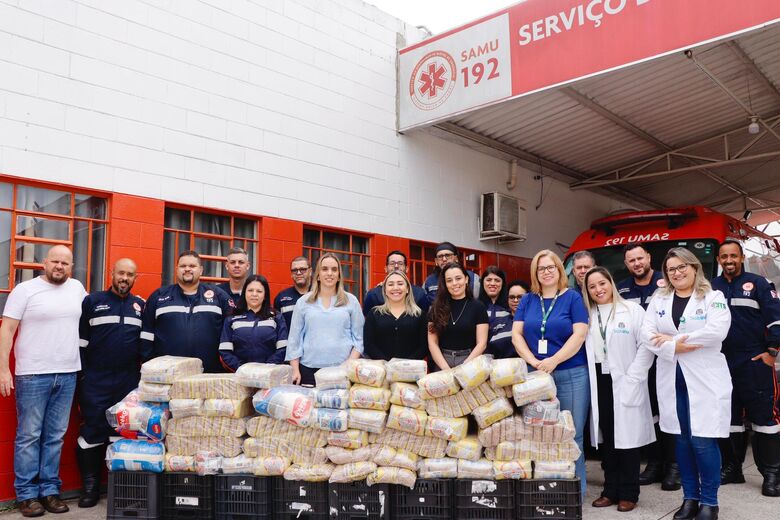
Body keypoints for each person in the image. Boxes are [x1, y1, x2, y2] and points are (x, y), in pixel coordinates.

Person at [642, 247, 732, 520]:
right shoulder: (660, 298)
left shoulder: (713, 297)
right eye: (671, 269)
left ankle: (709, 502)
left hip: (705, 379)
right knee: (681, 441)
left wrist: (670, 342)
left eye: (682, 267)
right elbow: (647, 335)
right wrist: (675, 348)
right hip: (672, 378)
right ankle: (690, 498)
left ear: (694, 268)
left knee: (703, 442)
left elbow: (717, 331)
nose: (677, 272)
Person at [0, 245, 87, 517]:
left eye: (65, 263)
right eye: (55, 261)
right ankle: (26, 495)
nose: (59, 266)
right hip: (32, 374)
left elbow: (95, 314)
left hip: (68, 373)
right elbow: (7, 329)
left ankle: (50, 491)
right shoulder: (25, 290)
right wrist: (4, 369)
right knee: (29, 436)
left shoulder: (77, 288)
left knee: (55, 437)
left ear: (71, 266)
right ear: (44, 263)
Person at [512, 249, 590, 495]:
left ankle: (574, 492)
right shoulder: (528, 300)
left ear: (559, 269)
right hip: (535, 376)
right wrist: (534, 361)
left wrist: (554, 360)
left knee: (571, 434)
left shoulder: (573, 298)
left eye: (550, 267)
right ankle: (544, 491)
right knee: (538, 433)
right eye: (541, 268)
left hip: (570, 373)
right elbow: (517, 335)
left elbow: (579, 334)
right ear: (535, 273)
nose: (546, 272)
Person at [583, 267, 656, 512]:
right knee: (609, 439)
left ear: (611, 283)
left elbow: (646, 347)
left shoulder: (633, 310)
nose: (598, 289)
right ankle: (610, 490)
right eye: (592, 286)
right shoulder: (588, 314)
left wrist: (634, 377)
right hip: (601, 382)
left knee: (629, 440)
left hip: (627, 379)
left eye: (602, 283)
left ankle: (629, 493)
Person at [712, 240, 780, 496]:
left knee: (765, 419)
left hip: (754, 362)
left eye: (733, 256)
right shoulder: (712, 287)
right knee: (729, 419)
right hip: (721, 363)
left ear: (741, 257)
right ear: (719, 260)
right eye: (724, 257)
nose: (729, 260)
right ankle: (732, 468)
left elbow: (776, 319)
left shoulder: (760, 284)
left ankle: (772, 474)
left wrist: (771, 352)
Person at [76, 258, 145, 508]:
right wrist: (83, 376)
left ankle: (120, 488)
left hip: (128, 381)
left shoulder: (141, 306)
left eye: (130, 274)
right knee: (93, 431)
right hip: (96, 379)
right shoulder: (92, 302)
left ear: (135, 278)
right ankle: (91, 488)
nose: (124, 278)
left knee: (124, 432)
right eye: (121, 273)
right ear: (112, 274)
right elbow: (81, 344)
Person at [618, 243, 679, 490]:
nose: (636, 264)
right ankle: (654, 464)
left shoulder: (667, 282)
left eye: (639, 258)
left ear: (649, 258)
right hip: (639, 361)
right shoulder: (621, 287)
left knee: (670, 412)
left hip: (666, 358)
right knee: (650, 412)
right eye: (631, 260)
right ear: (626, 264)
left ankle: (674, 467)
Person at [141, 250, 233, 373]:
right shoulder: (158, 296)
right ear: (177, 269)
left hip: (209, 373)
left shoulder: (219, 296)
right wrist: (152, 365)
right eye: (183, 266)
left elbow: (233, 332)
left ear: (200, 270)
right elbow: (146, 334)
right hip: (168, 374)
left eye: (192, 266)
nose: (187, 269)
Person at [286, 253, 364, 385]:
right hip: (308, 370)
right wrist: (295, 369)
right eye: (325, 269)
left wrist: (349, 364)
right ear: (317, 274)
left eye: (334, 269)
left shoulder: (351, 301)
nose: (329, 273)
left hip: (341, 370)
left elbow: (359, 339)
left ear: (339, 275)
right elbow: (294, 339)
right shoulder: (303, 302)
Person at [219, 274, 288, 371]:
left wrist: (266, 368)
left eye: (259, 291)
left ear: (265, 295)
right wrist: (243, 369)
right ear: (244, 293)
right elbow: (225, 351)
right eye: (250, 290)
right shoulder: (232, 318)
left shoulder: (276, 317)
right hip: (240, 376)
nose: (254, 294)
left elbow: (283, 349)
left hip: (269, 375)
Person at [428, 263, 489, 370]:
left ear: (466, 279)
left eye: (458, 278)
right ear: (445, 284)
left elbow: (482, 343)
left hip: (470, 360)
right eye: (449, 280)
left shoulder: (478, 307)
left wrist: (464, 366)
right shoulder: (436, 307)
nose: (454, 283)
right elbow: (432, 343)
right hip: (442, 361)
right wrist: (445, 368)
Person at [363, 271, 428, 361]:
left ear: (407, 289)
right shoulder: (374, 313)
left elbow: (424, 346)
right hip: (382, 370)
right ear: (385, 290)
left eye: (400, 284)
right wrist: (387, 364)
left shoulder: (419, 314)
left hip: (411, 370)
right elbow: (369, 345)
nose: (395, 288)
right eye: (390, 284)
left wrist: (405, 364)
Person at [363, 250, 428, 316]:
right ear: (385, 269)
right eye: (392, 263)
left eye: (400, 263)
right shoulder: (374, 294)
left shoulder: (419, 293)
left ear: (407, 269)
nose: (396, 266)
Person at [478, 266, 513, 359]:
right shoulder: (475, 306)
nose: (492, 283)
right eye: (488, 280)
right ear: (483, 282)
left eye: (497, 280)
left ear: (503, 284)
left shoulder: (511, 306)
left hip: (507, 363)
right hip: (481, 363)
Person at [274, 256, 312, 331]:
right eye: (294, 270)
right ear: (291, 274)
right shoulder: (281, 298)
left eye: (302, 269)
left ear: (310, 271)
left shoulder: (319, 295)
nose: (298, 273)